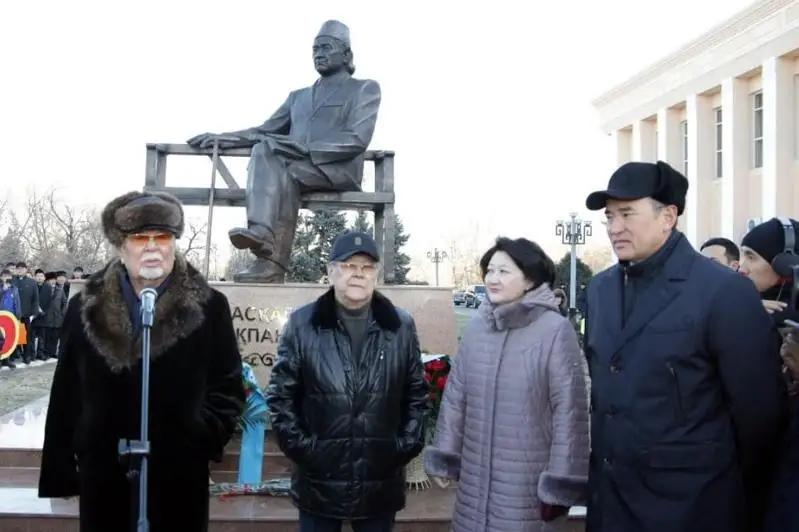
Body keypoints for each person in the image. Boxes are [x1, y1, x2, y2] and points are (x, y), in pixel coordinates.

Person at [582, 161, 788, 532]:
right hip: (610, 506)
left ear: (668, 216)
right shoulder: (599, 291)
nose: (614, 228)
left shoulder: (723, 292)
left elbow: (758, 416)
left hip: (692, 507)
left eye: (627, 214)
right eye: (609, 217)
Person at [38, 191, 246, 532]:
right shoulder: (85, 307)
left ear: (174, 242)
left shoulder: (209, 306)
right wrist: (62, 467)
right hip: (104, 475)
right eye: (140, 238)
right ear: (122, 245)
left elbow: (228, 387)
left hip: (178, 475)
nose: (153, 246)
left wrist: (198, 432)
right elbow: (66, 392)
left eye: (162, 237)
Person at [187, 20, 381, 283]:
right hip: (294, 168)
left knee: (278, 162)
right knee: (268, 151)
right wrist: (223, 138)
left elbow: (357, 138)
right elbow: (264, 131)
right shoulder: (297, 97)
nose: (318, 53)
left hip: (336, 168)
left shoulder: (364, 88)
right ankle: (264, 242)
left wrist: (306, 147)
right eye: (314, 49)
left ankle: (269, 256)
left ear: (347, 54)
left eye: (326, 47)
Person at [266, 230, 427, 532]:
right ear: (331, 272)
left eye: (366, 268)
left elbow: (416, 394)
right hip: (319, 480)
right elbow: (280, 398)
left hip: (380, 478)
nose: (358, 275)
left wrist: (403, 446)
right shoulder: (303, 324)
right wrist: (306, 450)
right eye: (349, 266)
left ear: (375, 275)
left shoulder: (400, 326)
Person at [425, 237, 589, 531]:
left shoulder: (554, 330)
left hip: (525, 486)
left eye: (504, 271)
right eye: (490, 270)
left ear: (529, 280)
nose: (492, 278)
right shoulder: (477, 327)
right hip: (473, 483)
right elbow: (455, 397)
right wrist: (446, 454)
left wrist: (560, 483)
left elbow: (570, 413)